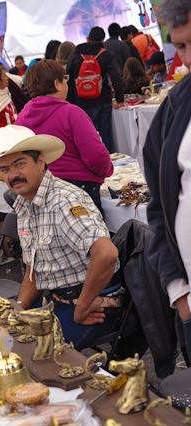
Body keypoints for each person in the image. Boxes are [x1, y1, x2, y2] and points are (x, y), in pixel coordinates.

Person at [0, 125, 120, 350]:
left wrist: (82, 307)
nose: (12, 175)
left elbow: (107, 254)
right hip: (58, 302)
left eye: (20, 164)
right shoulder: (25, 202)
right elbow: (34, 269)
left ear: (41, 161)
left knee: (22, 352)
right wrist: (19, 309)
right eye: (5, 169)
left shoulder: (63, 201)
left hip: (94, 305)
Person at [142, 0, 191, 360]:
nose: (188, 58)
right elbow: (159, 208)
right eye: (182, 46)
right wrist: (178, 292)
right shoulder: (175, 108)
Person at [16, 59, 114, 211]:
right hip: (79, 190)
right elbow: (96, 156)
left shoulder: (21, 118)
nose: (67, 84)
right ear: (57, 83)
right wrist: (107, 171)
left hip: (42, 190)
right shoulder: (71, 113)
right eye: (65, 79)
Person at [67, 26, 124, 152]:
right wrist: (120, 99)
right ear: (103, 40)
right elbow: (116, 76)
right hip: (103, 100)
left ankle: (92, 160)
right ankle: (108, 159)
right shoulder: (106, 54)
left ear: (88, 38)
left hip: (82, 103)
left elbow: (69, 80)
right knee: (105, 134)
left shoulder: (75, 55)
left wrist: (72, 103)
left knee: (88, 136)